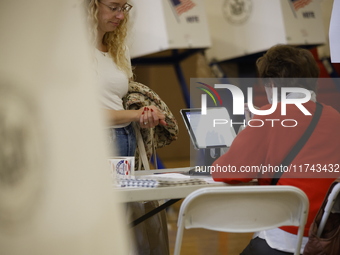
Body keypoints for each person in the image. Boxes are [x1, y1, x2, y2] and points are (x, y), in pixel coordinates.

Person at [211, 45, 340, 254]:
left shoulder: (269, 116)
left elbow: (227, 172)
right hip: (327, 234)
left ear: (271, 84)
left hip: (286, 236)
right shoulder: (334, 116)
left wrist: (249, 132)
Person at [86, 0, 167, 157]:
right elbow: (81, 112)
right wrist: (136, 114)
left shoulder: (119, 49)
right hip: (94, 140)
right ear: (91, 5)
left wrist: (145, 116)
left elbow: (117, 102)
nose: (121, 15)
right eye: (113, 8)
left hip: (125, 136)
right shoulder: (72, 50)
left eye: (123, 8)